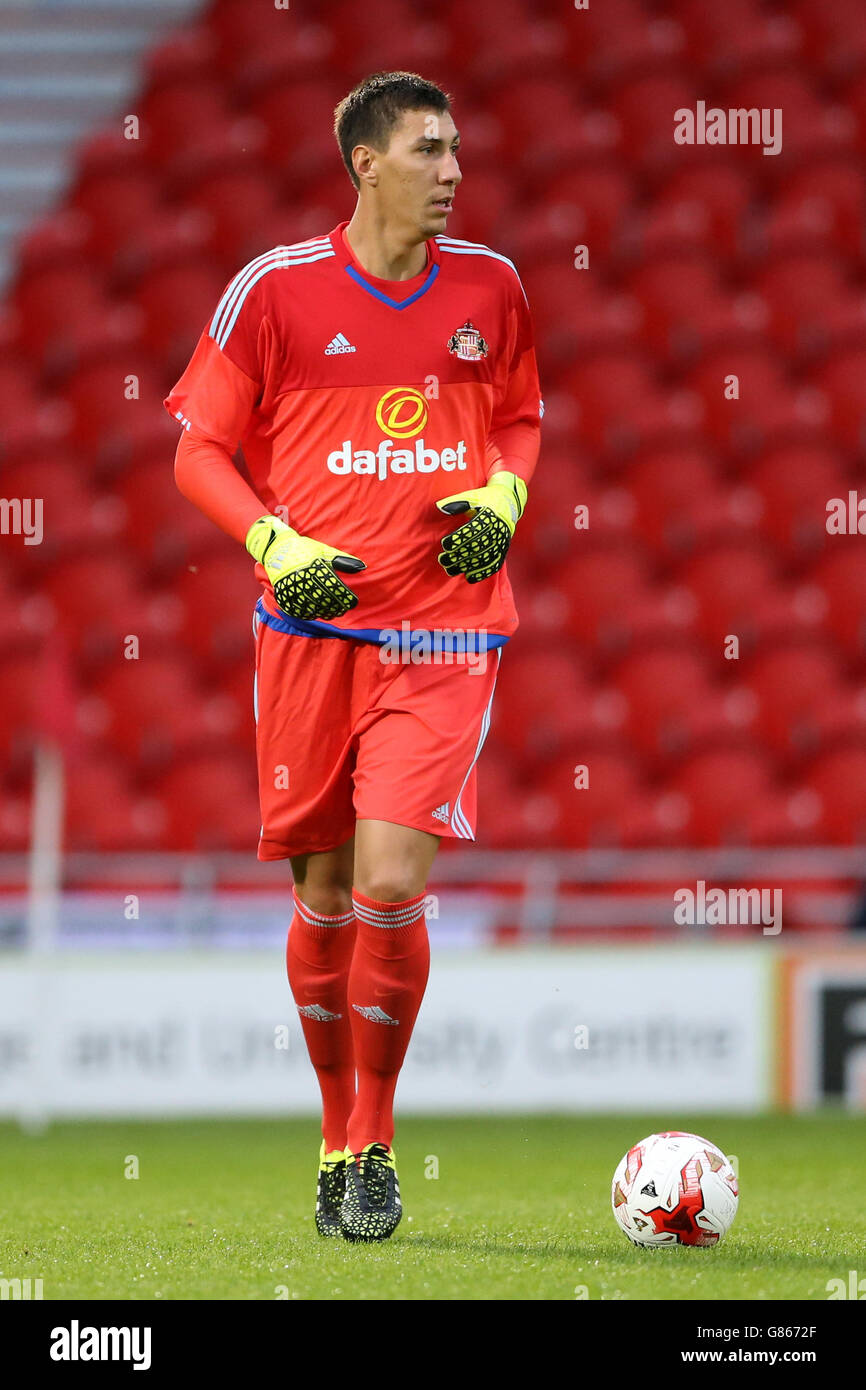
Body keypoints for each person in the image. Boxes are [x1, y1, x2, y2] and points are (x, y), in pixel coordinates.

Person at [164, 71, 541, 1242]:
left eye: (458, 151)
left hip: (440, 632)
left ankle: (375, 1145)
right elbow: (199, 453)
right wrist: (270, 540)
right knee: (323, 895)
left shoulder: (492, 286)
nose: (452, 173)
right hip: (308, 635)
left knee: (386, 881)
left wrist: (507, 490)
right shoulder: (271, 294)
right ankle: (333, 1142)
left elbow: (521, 411)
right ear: (365, 162)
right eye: (429, 151)